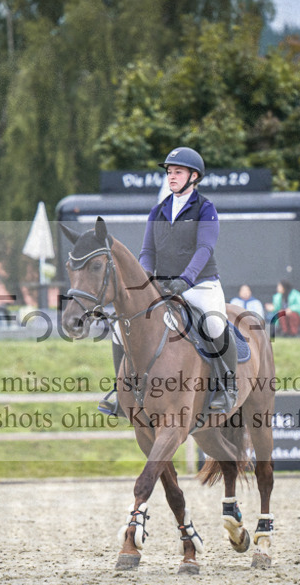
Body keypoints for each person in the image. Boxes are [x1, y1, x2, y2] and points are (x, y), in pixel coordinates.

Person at [101, 146, 237, 415]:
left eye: (178, 172)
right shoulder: (158, 211)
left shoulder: (205, 209)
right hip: (162, 286)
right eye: (170, 172)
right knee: (119, 329)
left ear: (194, 176)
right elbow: (147, 252)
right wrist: (146, 280)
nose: (171, 177)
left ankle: (227, 387)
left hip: (200, 285)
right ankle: (121, 391)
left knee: (213, 323)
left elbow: (204, 249)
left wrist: (186, 279)